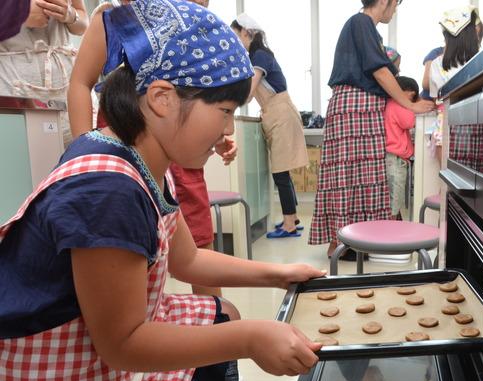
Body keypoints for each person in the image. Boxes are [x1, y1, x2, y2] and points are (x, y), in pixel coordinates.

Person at [0, 2, 323, 381]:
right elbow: (122, 345)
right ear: (162, 99)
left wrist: (278, 275)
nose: (228, 131)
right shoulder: (108, 188)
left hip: (93, 334)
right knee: (228, 328)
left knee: (220, 315)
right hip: (50, 375)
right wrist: (249, 339)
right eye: (224, 111)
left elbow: (186, 260)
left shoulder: (140, 154)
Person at [68, 0, 226, 301]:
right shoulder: (113, 18)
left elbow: (202, 96)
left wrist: (215, 136)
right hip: (127, 145)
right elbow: (80, 82)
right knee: (128, 249)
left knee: (199, 240)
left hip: (181, 150)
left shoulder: (194, 21)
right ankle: (136, 329)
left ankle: (217, 330)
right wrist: (86, 150)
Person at [308, 0, 433, 260]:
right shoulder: (361, 22)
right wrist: (411, 106)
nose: (394, 10)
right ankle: (339, 242)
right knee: (348, 177)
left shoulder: (366, 27)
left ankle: (354, 240)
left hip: (359, 107)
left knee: (358, 177)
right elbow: (380, 72)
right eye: (395, 4)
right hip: (356, 106)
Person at [230, 13, 309, 238]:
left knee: (280, 173)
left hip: (280, 113)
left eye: (237, 36)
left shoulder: (259, 56)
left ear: (249, 33)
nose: (236, 41)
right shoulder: (257, 55)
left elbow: (249, 91)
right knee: (282, 171)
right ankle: (292, 217)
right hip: (277, 113)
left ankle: (289, 225)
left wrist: (226, 102)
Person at [0, 0, 88, 145]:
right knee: (24, 157)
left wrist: (69, 15)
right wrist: (18, 14)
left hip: (65, 89)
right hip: (13, 87)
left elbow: (82, 23)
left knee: (77, 155)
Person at [428, 5, 481, 158]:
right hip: (477, 123)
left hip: (445, 126)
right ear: (471, 34)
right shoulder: (480, 60)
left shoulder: (437, 64)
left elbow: (436, 100)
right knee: (477, 179)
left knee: (448, 178)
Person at [384, 75, 419, 220]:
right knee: (395, 198)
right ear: (408, 92)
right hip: (396, 159)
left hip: (393, 158)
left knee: (394, 195)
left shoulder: (389, 104)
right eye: (412, 97)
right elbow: (410, 121)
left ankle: (395, 222)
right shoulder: (396, 104)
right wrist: (415, 107)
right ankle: (391, 231)